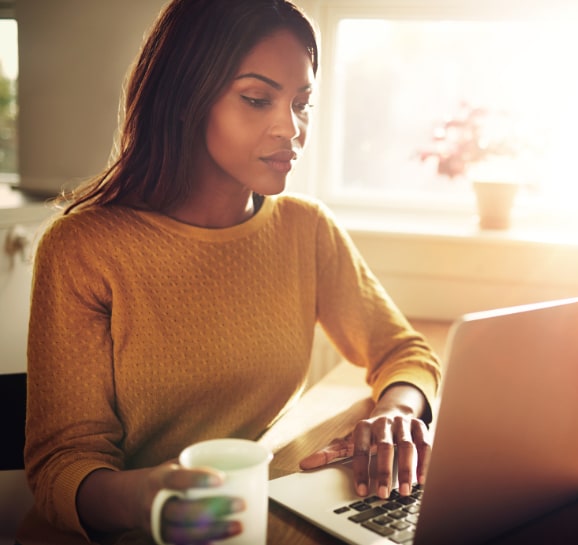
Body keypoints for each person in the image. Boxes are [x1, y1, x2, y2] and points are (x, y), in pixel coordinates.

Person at [20, 0, 441, 544]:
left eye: (302, 103)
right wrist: (151, 498)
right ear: (186, 99)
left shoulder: (305, 229)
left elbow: (403, 352)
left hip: (251, 515)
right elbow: (61, 467)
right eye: (257, 99)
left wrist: (398, 412)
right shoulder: (83, 249)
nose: (291, 128)